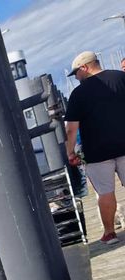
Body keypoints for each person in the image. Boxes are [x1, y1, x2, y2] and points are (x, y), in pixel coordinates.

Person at [65, 50, 125, 245]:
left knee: (105, 193)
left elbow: (71, 129)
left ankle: (109, 234)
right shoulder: (120, 77)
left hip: (97, 153)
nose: (76, 77)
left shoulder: (78, 93)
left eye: (76, 73)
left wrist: (70, 152)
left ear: (84, 67)